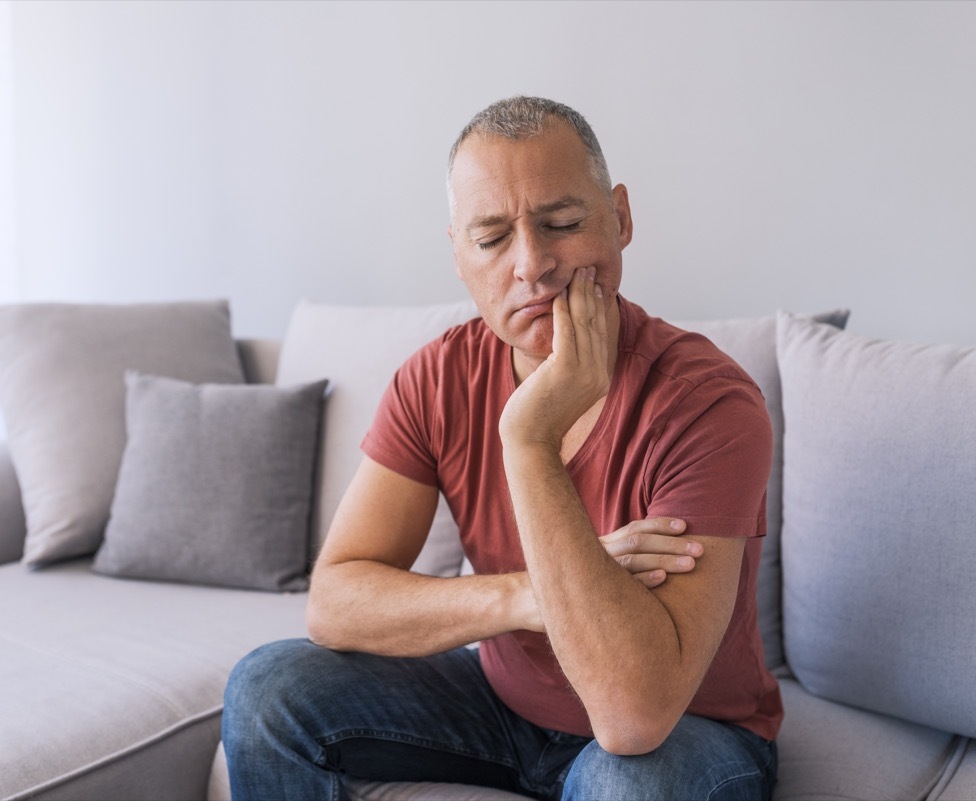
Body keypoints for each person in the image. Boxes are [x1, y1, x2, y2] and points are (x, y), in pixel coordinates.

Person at [222, 96, 782, 801]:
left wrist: (529, 436)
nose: (533, 265)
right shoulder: (436, 377)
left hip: (687, 731)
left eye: (563, 224)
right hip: (500, 706)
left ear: (621, 219)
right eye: (492, 238)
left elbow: (633, 716)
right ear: (457, 253)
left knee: (631, 783)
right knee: (268, 687)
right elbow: (334, 601)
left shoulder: (708, 402)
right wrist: (526, 595)